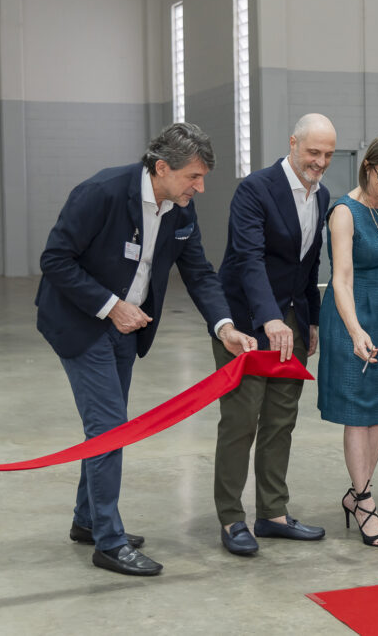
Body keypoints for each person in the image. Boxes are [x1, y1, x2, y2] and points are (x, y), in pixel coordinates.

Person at [36, 123, 257, 576]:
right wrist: (110, 306)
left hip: (127, 325)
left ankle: (87, 520)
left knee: (108, 426)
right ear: (161, 168)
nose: (200, 187)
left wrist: (225, 327)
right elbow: (55, 259)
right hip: (82, 320)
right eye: (193, 177)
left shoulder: (180, 209)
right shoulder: (101, 193)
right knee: (109, 426)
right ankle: (109, 543)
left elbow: (199, 272)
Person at [212, 113, 334, 555]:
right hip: (247, 323)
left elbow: (310, 263)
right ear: (293, 144)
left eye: (328, 155)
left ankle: (273, 513)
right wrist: (268, 319)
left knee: (281, 420)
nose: (320, 162)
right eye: (313, 152)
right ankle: (231, 518)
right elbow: (247, 259)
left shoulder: (321, 196)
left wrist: (311, 320)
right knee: (242, 420)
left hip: (292, 322)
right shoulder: (256, 189)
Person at [318, 133, 378, 548]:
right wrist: (356, 331)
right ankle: (365, 502)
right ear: (367, 168)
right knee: (357, 411)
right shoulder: (345, 211)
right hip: (352, 313)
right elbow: (340, 278)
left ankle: (358, 492)